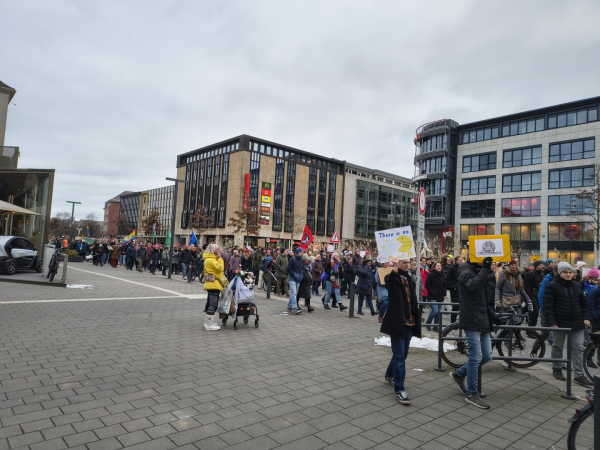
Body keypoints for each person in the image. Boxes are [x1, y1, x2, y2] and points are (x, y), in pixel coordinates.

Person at [449, 256, 494, 409]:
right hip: (471, 318)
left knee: (487, 355)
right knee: (476, 357)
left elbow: (487, 294)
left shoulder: (480, 271)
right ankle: (472, 393)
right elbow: (474, 286)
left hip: (483, 318)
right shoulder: (465, 272)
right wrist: (485, 270)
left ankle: (459, 374)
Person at [544, 262, 593, 386]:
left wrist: (586, 317)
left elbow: (584, 304)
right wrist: (551, 322)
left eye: (570, 272)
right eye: (565, 272)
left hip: (577, 322)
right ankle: (557, 369)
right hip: (559, 322)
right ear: (560, 273)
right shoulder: (552, 286)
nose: (568, 274)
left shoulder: (577, 286)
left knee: (577, 347)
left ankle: (579, 374)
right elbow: (548, 306)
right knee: (557, 346)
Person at [382, 258, 421, 405]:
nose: (406, 265)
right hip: (398, 322)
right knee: (399, 358)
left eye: (407, 263)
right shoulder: (391, 276)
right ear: (398, 263)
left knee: (403, 354)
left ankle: (389, 374)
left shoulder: (410, 277)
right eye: (403, 262)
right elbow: (389, 285)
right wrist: (394, 271)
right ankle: (400, 390)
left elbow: (412, 298)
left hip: (410, 321)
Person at [201, 244, 224, 331]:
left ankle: (208, 322)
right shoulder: (210, 260)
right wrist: (220, 258)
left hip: (214, 284)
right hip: (214, 284)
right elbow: (220, 268)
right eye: (217, 249)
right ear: (213, 250)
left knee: (210, 303)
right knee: (213, 304)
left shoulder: (210, 259)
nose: (219, 250)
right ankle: (209, 324)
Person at [523, 260, 547, 330]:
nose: (542, 266)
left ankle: (531, 328)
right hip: (532, 295)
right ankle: (530, 330)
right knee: (535, 313)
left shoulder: (542, 274)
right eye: (540, 265)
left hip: (538, 296)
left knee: (533, 312)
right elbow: (526, 286)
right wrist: (529, 297)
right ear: (536, 266)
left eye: (543, 265)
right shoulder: (530, 273)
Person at [425, 262, 446, 331]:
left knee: (439, 312)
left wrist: (444, 292)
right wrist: (432, 292)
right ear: (434, 267)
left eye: (440, 266)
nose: (439, 267)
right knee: (435, 311)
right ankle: (428, 322)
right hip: (432, 296)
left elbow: (444, 285)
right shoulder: (431, 274)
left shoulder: (443, 275)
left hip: (440, 296)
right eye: (437, 266)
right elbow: (427, 284)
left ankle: (436, 326)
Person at [286, 248, 304, 314]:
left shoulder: (301, 259)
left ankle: (289, 306)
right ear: (298, 252)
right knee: (293, 292)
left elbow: (301, 268)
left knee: (294, 293)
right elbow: (288, 268)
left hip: (298, 277)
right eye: (301, 252)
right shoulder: (292, 259)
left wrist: (301, 274)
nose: (302, 253)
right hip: (292, 278)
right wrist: (293, 274)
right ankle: (295, 308)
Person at [446, 256, 463, 323]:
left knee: (460, 306)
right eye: (460, 260)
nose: (461, 262)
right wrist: (453, 286)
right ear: (456, 261)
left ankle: (458, 322)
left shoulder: (462, 268)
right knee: (455, 306)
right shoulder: (452, 268)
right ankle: (453, 322)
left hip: (461, 289)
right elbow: (447, 278)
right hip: (454, 289)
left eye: (462, 260)